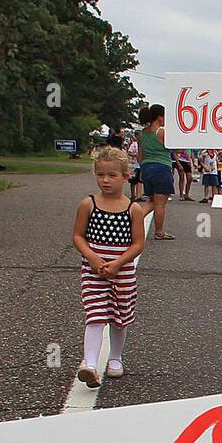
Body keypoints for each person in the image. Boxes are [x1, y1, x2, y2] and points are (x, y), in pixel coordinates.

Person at [71, 146, 145, 388]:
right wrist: (92, 257)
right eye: (100, 175)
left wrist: (118, 263)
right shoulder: (88, 204)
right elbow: (78, 236)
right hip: (93, 271)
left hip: (122, 273)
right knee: (95, 315)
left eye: (112, 175)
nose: (105, 180)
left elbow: (138, 243)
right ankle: (90, 365)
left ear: (125, 176)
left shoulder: (133, 209)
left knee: (119, 316)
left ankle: (115, 358)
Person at [136, 105, 176, 240]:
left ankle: (133, 221)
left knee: (152, 200)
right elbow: (175, 149)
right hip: (162, 168)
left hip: (147, 167)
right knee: (160, 203)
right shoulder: (161, 132)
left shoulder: (142, 134)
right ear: (159, 117)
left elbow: (140, 156)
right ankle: (159, 231)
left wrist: (142, 168)